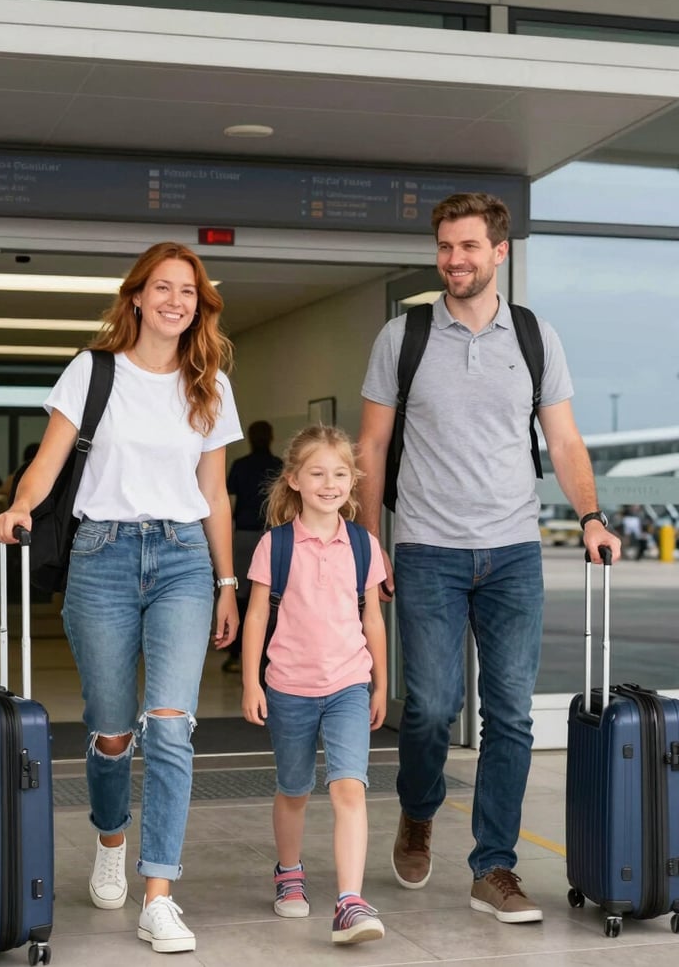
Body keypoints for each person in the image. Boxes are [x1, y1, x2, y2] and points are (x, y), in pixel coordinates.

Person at [356, 192, 622, 925]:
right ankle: (418, 810)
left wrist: (592, 516)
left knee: (510, 715)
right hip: (427, 548)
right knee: (433, 707)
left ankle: (493, 866)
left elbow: (563, 443)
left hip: (513, 551)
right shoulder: (403, 335)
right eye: (445, 246)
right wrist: (364, 539)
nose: (454, 260)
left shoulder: (535, 336)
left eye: (468, 246)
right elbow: (371, 446)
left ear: (499, 251)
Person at [0, 241, 243, 954]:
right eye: (162, 287)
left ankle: (159, 890)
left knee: (170, 724)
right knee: (110, 730)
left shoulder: (211, 383)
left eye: (188, 291)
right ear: (136, 296)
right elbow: (47, 461)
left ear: (201, 304)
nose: (175, 300)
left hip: (184, 559)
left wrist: (228, 582)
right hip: (101, 556)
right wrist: (18, 507)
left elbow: (216, 492)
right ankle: (110, 837)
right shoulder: (92, 370)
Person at [241, 425, 388, 945]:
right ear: (295, 480)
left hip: (349, 681)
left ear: (353, 480)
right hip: (289, 686)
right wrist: (252, 683)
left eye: (341, 473)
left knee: (349, 786)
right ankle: (289, 872)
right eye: (318, 473)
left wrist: (380, 683)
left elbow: (373, 619)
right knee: (295, 789)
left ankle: (350, 900)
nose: (330, 483)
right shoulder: (275, 545)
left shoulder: (365, 545)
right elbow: (257, 616)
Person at [222, 419, 283, 673]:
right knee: (271, 596)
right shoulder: (279, 466)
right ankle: (268, 652)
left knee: (242, 594)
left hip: (246, 534)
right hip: (273, 534)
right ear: (271, 437)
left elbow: (229, 505)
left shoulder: (240, 466)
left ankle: (236, 654)